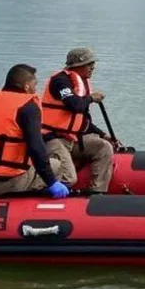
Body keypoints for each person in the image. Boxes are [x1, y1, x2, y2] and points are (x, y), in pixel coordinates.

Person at [0, 64, 71, 198]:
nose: (36, 89)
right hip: (4, 182)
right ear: (27, 86)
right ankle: (38, 205)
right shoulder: (28, 107)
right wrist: (52, 182)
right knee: (56, 165)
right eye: (35, 84)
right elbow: (36, 149)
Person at [41, 47, 115, 194]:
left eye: (93, 63)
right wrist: (91, 98)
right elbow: (75, 105)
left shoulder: (81, 84)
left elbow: (81, 120)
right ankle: (39, 191)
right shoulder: (60, 81)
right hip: (53, 139)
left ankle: (96, 193)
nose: (93, 67)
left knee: (103, 147)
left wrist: (102, 134)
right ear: (77, 65)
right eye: (89, 64)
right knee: (69, 178)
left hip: (72, 139)